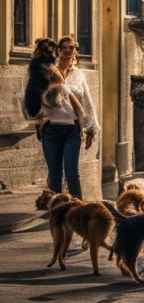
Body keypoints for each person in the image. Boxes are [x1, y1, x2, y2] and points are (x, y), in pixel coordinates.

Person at [40, 37, 99, 199]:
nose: (67, 50)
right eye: (64, 47)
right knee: (55, 174)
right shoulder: (48, 71)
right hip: (50, 129)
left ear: (75, 52)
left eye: (71, 48)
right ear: (58, 50)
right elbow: (36, 96)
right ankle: (56, 210)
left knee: (72, 172)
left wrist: (91, 129)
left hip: (72, 129)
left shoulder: (79, 75)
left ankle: (77, 209)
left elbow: (87, 101)